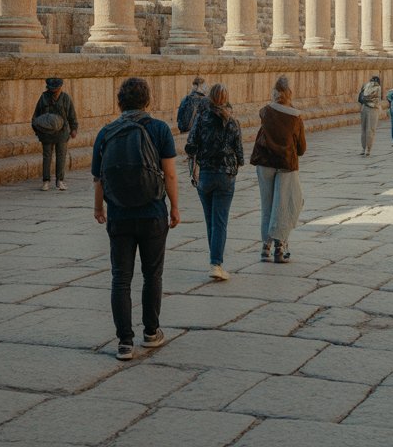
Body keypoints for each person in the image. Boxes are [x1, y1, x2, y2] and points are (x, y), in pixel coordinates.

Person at [92, 77, 179, 362]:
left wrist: (98, 209)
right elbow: (169, 175)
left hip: (119, 214)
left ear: (119, 102)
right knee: (152, 275)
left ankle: (124, 343)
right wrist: (174, 207)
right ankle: (151, 332)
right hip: (153, 212)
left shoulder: (106, 133)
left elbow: (99, 179)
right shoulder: (160, 129)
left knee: (121, 279)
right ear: (147, 101)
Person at [185, 83, 243, 281]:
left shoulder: (201, 119)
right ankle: (216, 264)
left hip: (206, 176)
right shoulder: (233, 122)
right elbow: (241, 155)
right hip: (226, 177)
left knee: (210, 221)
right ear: (226, 99)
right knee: (220, 222)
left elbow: (190, 146)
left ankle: (214, 261)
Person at [250, 75, 307, 263]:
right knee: (282, 205)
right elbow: (302, 148)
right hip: (286, 165)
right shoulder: (296, 117)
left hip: (264, 162)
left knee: (267, 205)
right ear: (289, 93)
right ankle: (279, 248)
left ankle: (265, 248)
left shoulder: (265, 111)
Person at [31, 77, 78, 191]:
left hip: (62, 132)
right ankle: (46, 181)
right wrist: (37, 130)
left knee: (61, 156)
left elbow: (72, 115)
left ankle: (59, 181)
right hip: (46, 133)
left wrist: (74, 128)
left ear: (60, 87)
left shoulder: (66, 98)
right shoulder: (43, 98)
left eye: (56, 89)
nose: (54, 91)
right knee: (47, 156)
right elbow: (36, 115)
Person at [358, 75, 382, 156]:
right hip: (373, 109)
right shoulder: (378, 87)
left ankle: (363, 148)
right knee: (371, 130)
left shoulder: (365, 85)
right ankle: (368, 149)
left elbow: (360, 98)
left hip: (364, 108)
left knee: (363, 129)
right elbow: (378, 99)